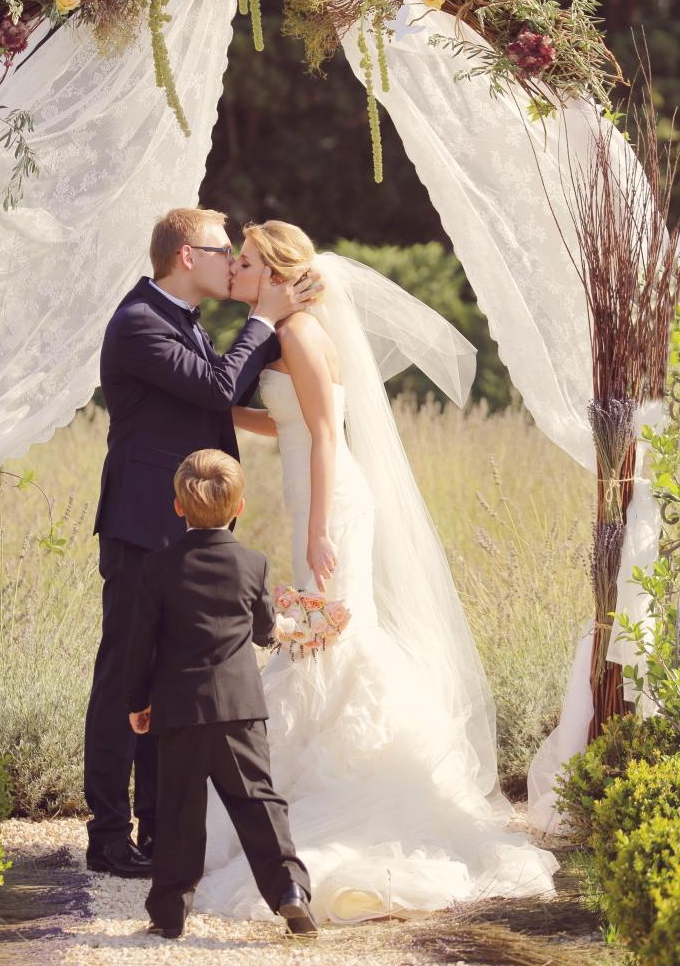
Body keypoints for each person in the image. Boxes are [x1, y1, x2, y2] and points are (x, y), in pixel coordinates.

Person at [195, 221, 559, 924]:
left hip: (329, 506)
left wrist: (316, 529)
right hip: (315, 495)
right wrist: (227, 412)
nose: (234, 271)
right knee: (319, 641)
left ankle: (334, 777)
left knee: (325, 640)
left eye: (243, 262)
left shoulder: (298, 332)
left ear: (272, 272)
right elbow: (297, 419)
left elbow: (328, 433)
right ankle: (297, 774)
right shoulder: (291, 332)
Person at [84, 207, 320, 877]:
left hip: (184, 530)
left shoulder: (183, 321)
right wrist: (263, 322)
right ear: (187, 256)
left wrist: (288, 329)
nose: (231, 263)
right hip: (141, 529)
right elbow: (219, 387)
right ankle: (106, 839)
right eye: (223, 251)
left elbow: (230, 391)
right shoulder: (137, 324)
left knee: (170, 681)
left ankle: (157, 829)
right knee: (121, 683)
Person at [125, 449, 315, 940]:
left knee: (179, 810)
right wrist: (286, 621)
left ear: (177, 506)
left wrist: (137, 702)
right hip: (239, 708)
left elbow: (140, 642)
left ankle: (169, 914)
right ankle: (290, 890)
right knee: (259, 801)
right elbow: (263, 631)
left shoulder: (159, 566)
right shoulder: (252, 563)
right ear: (240, 506)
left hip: (180, 708)